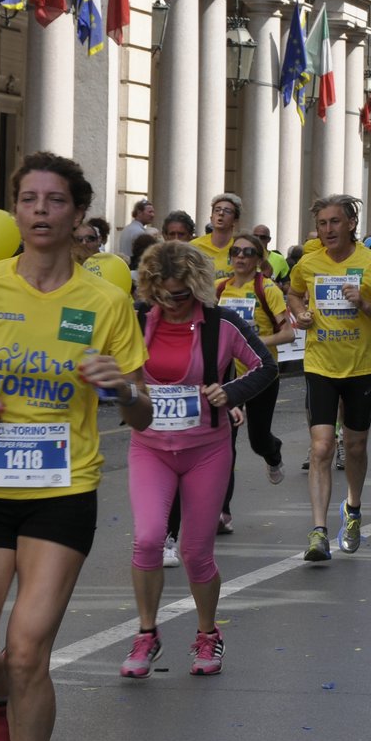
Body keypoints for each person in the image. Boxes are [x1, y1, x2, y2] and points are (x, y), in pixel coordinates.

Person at [0, 152, 153, 741]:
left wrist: (123, 388)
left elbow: (143, 414)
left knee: (30, 644)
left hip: (62, 487)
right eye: (28, 199)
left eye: (55, 200)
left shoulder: (102, 301)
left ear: (77, 213)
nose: (40, 210)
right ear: (15, 210)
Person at [120, 242, 276, 680]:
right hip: (150, 446)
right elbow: (111, 371)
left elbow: (265, 366)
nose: (174, 302)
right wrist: (124, 389)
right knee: (149, 538)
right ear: (152, 286)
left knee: (194, 551)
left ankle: (208, 634)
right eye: (165, 293)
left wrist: (232, 393)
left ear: (198, 287)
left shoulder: (222, 323)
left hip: (206, 449)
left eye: (183, 294)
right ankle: (146, 634)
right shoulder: (136, 320)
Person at [284, 195, 371, 561]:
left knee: (355, 446)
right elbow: (293, 293)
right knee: (321, 447)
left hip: (363, 368)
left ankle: (352, 508)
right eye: (323, 224)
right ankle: (318, 531)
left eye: (335, 222)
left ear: (351, 224)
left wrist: (365, 305)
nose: (328, 230)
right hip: (320, 365)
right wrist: (301, 313)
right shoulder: (308, 262)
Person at [216, 231, 295, 532]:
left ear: (259, 259)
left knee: (257, 439)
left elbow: (287, 334)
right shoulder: (219, 289)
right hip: (227, 376)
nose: (240, 257)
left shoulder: (267, 289)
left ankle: (272, 452)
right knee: (226, 444)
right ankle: (222, 513)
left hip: (260, 373)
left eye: (249, 252)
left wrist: (252, 342)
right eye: (236, 251)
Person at [189, 193, 243, 277]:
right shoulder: (195, 246)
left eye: (227, 211)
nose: (221, 213)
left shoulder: (242, 247)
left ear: (235, 220)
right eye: (217, 210)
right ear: (211, 218)